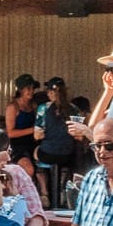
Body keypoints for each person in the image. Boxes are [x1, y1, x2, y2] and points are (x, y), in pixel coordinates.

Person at [34, 76, 75, 206]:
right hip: (67, 154)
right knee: (65, 161)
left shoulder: (43, 108)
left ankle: (45, 193)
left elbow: (37, 136)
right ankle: (62, 187)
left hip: (48, 153)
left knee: (36, 154)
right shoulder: (74, 109)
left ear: (51, 92)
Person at [5, 74, 40, 169]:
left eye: (33, 88)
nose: (32, 91)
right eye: (28, 88)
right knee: (29, 169)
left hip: (32, 143)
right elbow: (10, 133)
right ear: (21, 90)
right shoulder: (13, 107)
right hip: (17, 146)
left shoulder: (33, 105)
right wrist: (32, 130)